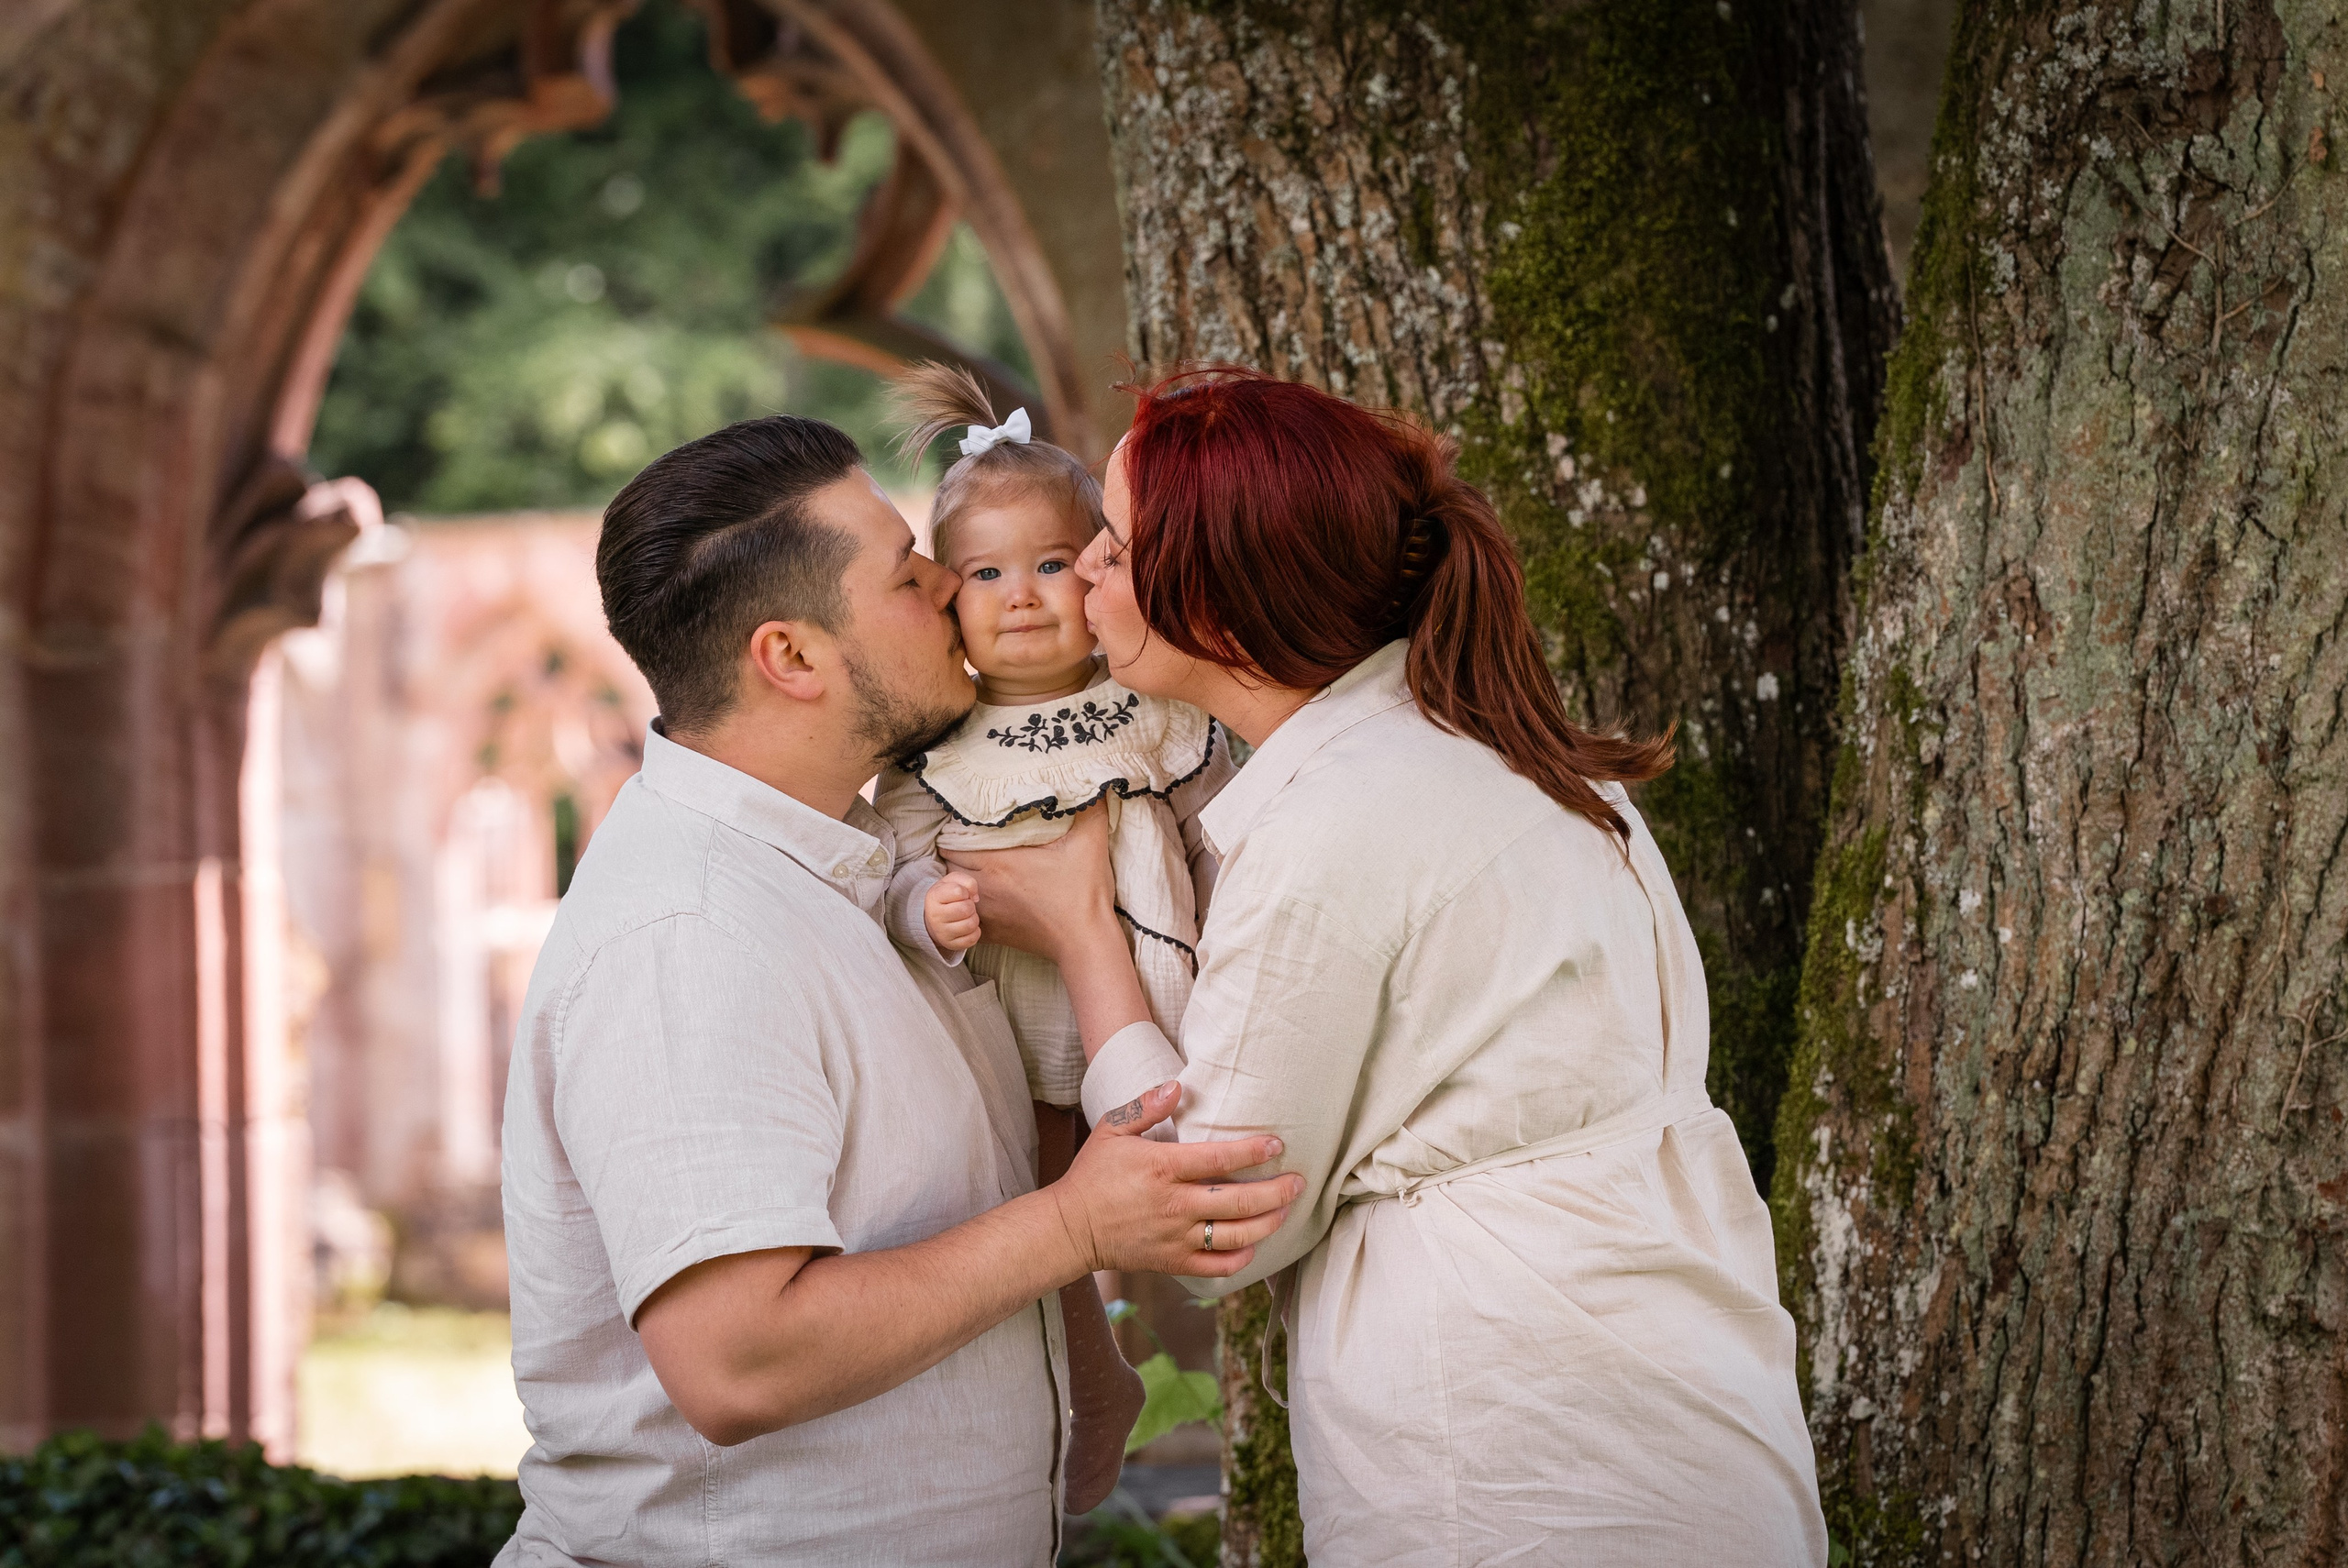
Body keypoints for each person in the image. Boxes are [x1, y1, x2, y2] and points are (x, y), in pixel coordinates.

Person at [953, 369, 1832, 1565]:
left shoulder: (1338, 824)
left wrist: (1082, 934)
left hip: (1517, 1462)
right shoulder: (1520, 755)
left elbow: (1216, 1217)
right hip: (1687, 1424)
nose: (1087, 568)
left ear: (1219, 605)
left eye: (1115, 542)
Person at [494, 414, 1301, 1568]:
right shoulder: (691, 935)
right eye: (909, 574)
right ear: (793, 657)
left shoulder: (867, 862)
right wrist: (1078, 1225)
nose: (950, 589)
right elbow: (736, 1361)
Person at [873, 364, 1235, 1110]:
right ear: (946, 595)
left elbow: (1223, 840)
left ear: (1099, 567)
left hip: (1167, 1015)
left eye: (1049, 564)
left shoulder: (1159, 710)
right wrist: (924, 906)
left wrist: (1226, 924)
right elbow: (895, 863)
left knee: (1157, 1136)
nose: (1021, 596)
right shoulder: (938, 747)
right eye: (985, 573)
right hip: (1010, 1028)